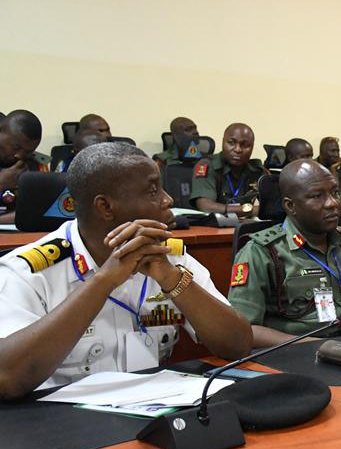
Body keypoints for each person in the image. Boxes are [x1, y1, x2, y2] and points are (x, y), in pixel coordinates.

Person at [0, 142, 252, 399]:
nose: (168, 199)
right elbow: (6, 378)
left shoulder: (169, 256)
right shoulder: (28, 271)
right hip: (61, 419)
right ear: (105, 207)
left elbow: (238, 345)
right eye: (153, 191)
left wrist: (172, 278)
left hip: (155, 408)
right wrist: (103, 281)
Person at [228, 160, 341, 346]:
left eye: (335, 193)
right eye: (317, 196)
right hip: (296, 353)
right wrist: (322, 347)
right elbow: (246, 329)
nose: (333, 203)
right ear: (290, 206)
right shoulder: (262, 252)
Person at [190, 122, 263, 217]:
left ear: (252, 147)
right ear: (223, 142)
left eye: (245, 145)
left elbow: (272, 205)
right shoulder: (207, 165)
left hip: (244, 223)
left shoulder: (256, 170)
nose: (238, 149)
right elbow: (205, 205)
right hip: (212, 223)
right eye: (231, 143)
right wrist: (248, 210)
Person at [0, 110, 50, 224]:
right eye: (16, 147)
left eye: (28, 151)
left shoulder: (35, 166)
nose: (19, 155)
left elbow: (39, 211)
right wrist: (2, 183)